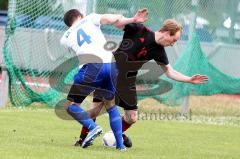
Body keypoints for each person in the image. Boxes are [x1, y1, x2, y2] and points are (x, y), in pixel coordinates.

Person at [76, 15, 209, 148]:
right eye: (173, 40)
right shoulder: (139, 29)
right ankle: (82, 139)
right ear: (168, 33)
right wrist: (130, 19)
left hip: (127, 81)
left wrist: (189, 79)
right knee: (95, 110)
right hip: (110, 72)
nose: (173, 43)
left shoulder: (159, 51)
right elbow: (118, 22)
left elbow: (170, 71)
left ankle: (116, 135)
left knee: (132, 117)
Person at [60, 8, 148, 150]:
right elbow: (112, 19)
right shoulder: (90, 18)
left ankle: (93, 127)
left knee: (71, 106)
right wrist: (132, 19)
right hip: (111, 66)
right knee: (110, 105)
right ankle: (120, 147)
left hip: (91, 67)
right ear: (80, 15)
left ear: (68, 24)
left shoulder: (64, 38)